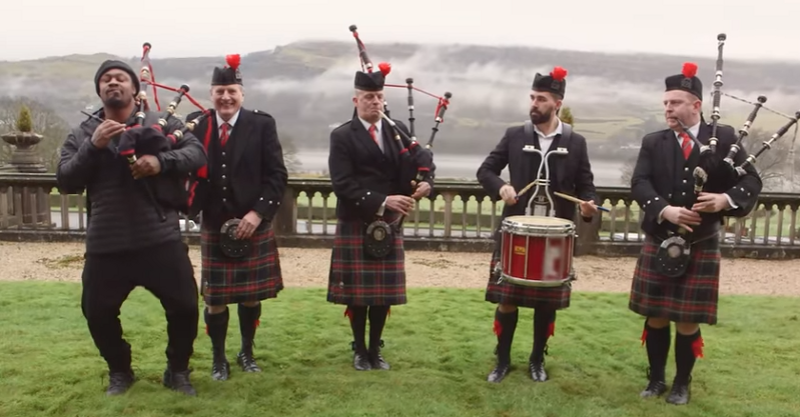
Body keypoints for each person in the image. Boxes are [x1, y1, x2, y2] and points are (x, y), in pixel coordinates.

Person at [56, 60, 207, 396]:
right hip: (107, 241)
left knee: (184, 307)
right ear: (99, 90)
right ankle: (120, 371)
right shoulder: (84, 132)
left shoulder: (161, 123)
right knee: (97, 313)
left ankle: (178, 370)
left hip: (159, 236)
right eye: (106, 79)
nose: (113, 83)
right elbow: (66, 180)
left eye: (120, 78)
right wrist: (92, 145)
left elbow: (196, 154)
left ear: (134, 88)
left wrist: (160, 162)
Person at [629, 62, 762, 405]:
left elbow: (751, 180)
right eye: (665, 104)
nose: (668, 109)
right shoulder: (653, 142)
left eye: (674, 103)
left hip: (700, 241)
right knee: (656, 315)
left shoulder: (726, 139)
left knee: (687, 320)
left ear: (696, 105)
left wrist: (724, 200)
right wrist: (665, 209)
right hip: (660, 237)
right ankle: (656, 379)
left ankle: (681, 383)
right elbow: (639, 182)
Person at [477, 66, 599, 383]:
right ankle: (502, 361)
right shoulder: (515, 135)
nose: (534, 104)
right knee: (507, 300)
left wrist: (587, 208)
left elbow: (587, 188)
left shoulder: (576, 142)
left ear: (557, 103)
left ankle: (536, 361)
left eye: (541, 99)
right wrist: (501, 187)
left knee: (546, 305)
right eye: (532, 97)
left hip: (555, 237)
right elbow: (485, 171)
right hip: (515, 231)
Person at [184, 54, 288, 381]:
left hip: (251, 223)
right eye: (219, 91)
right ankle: (218, 359)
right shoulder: (196, 124)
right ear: (211, 93)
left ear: (242, 93)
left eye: (231, 91)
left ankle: (247, 351)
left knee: (250, 295)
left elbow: (276, 175)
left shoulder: (261, 124)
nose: (225, 97)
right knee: (215, 299)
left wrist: (258, 214)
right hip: (215, 223)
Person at [327, 68, 434, 371]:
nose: (374, 102)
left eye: (379, 97)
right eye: (368, 97)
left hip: (389, 224)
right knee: (358, 295)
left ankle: (376, 348)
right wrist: (383, 201)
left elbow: (421, 163)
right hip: (357, 219)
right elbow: (342, 183)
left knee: (382, 295)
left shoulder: (398, 130)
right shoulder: (342, 136)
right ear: (356, 99)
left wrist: (427, 181)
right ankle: (360, 349)